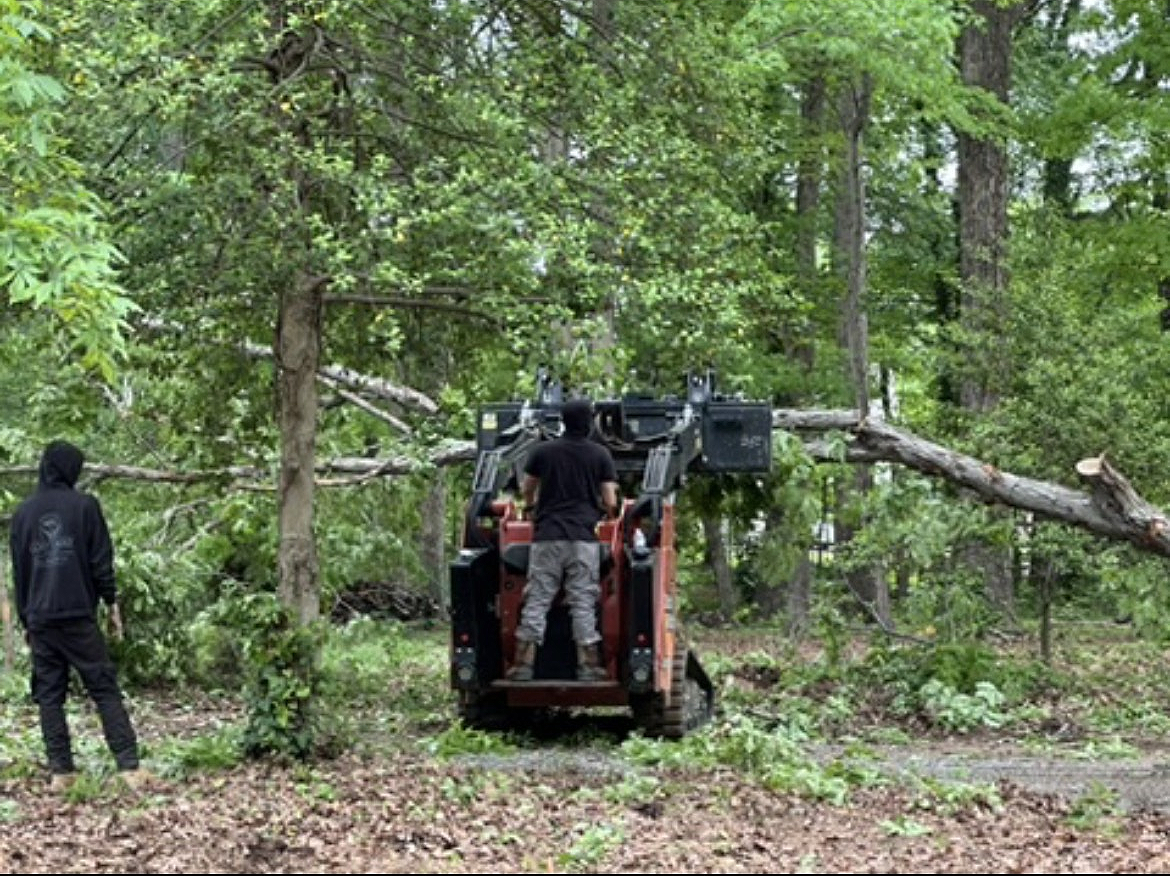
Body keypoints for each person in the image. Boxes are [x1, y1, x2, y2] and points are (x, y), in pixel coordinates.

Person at [9, 440, 151, 792]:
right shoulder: (85, 506)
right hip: (76, 614)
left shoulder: (24, 513)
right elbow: (100, 559)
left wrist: (26, 619)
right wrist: (111, 602)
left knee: (49, 695)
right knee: (103, 686)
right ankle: (129, 768)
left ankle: (61, 772)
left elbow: (20, 571)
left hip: (40, 617)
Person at [508, 398, 618, 682]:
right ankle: (588, 665)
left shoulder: (543, 451)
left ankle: (523, 665)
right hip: (583, 539)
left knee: (538, 599)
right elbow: (609, 499)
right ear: (589, 422)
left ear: (563, 421)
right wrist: (609, 514)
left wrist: (530, 509)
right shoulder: (600, 454)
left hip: (547, 538)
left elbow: (527, 487)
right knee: (583, 600)